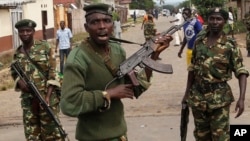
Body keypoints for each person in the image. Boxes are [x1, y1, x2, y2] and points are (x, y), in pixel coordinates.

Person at [60, 3, 173, 141]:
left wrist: (153, 55)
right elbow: (69, 103)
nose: (102, 26)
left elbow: (134, 89)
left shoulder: (118, 50)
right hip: (93, 138)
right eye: (95, 22)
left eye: (106, 21)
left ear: (112, 25)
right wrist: (109, 94)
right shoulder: (78, 58)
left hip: (120, 134)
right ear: (86, 28)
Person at [182, 8, 249, 141]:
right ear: (207, 20)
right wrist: (186, 93)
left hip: (220, 100)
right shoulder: (199, 42)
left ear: (224, 22)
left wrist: (242, 99)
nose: (215, 22)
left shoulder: (230, 45)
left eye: (218, 19)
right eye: (212, 18)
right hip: (198, 98)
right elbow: (192, 69)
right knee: (201, 136)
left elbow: (241, 72)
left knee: (221, 137)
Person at [10, 19, 64, 140]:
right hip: (28, 102)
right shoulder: (18, 52)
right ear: (18, 33)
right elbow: (13, 71)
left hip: (47, 100)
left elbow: (53, 72)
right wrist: (20, 82)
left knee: (52, 134)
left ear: (33, 31)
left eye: (28, 30)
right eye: (21, 31)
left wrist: (47, 97)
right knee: (32, 135)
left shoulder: (44, 47)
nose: (25, 33)